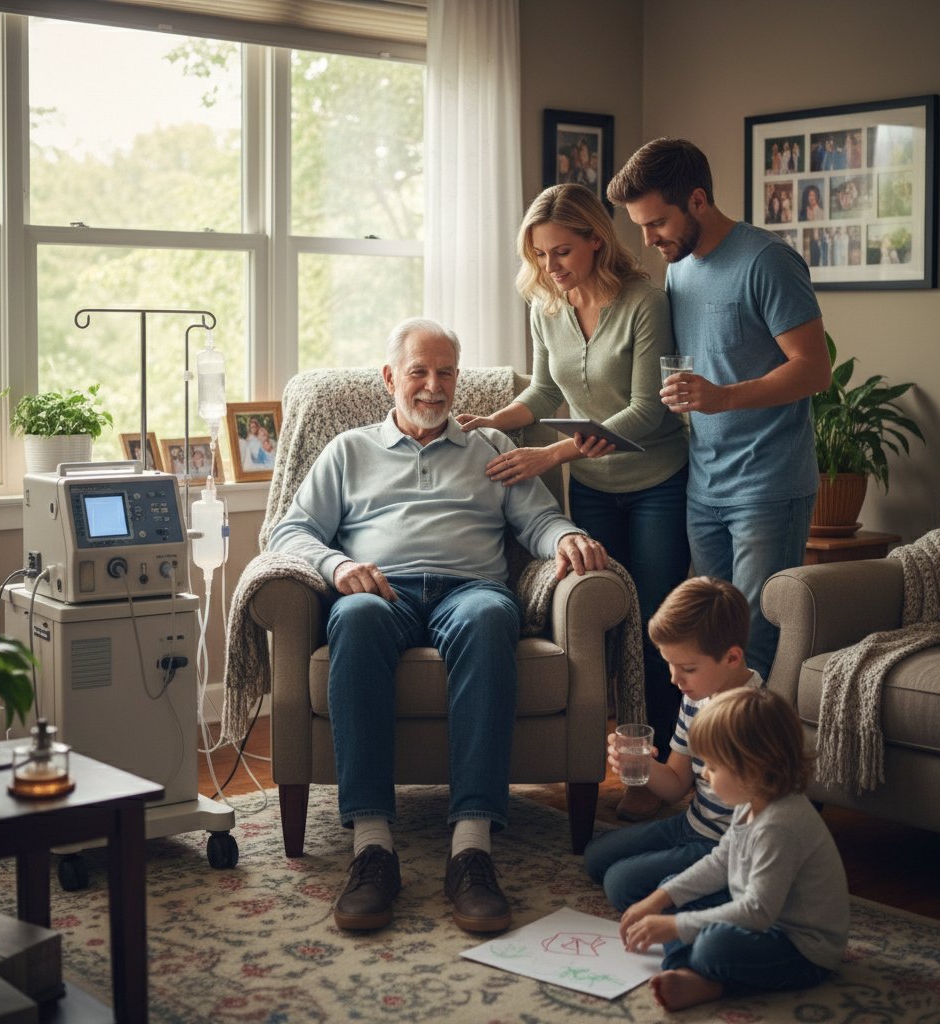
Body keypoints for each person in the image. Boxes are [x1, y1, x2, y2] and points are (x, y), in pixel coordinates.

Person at [269, 317, 609, 934]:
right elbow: (289, 531)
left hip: (470, 590)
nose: (433, 386)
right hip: (383, 590)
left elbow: (538, 521)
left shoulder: (491, 447)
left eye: (445, 373)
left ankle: (472, 849)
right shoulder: (348, 451)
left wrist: (567, 536)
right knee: (355, 617)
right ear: (389, 378)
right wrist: (338, 566)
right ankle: (373, 848)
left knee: (490, 616)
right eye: (419, 372)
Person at [456, 183, 690, 820]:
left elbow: (646, 411)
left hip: (657, 484)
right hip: (594, 490)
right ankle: (612, 764)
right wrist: (492, 422)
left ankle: (661, 775)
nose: (550, 266)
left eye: (561, 251)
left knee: (655, 628)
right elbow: (542, 393)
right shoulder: (546, 305)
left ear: (595, 240)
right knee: (605, 626)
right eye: (539, 254)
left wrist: (552, 455)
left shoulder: (644, 302)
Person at [607, 138, 831, 678]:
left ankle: (756, 739)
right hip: (704, 484)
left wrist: (722, 396)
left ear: (698, 200)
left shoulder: (767, 261)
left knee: (752, 646)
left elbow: (814, 369)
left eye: (657, 222)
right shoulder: (679, 267)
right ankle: (709, 740)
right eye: (640, 226)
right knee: (710, 645)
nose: (648, 239)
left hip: (768, 486)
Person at [620, 686, 849, 1012]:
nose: (704, 774)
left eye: (713, 766)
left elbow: (757, 911)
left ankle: (710, 981)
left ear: (751, 768)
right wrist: (659, 899)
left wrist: (676, 927)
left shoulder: (780, 825)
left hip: (800, 948)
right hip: (761, 917)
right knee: (670, 892)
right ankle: (688, 973)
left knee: (712, 946)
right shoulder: (750, 799)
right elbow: (720, 862)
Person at [584, 577, 762, 913]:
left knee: (620, 884)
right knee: (596, 857)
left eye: (687, 668)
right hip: (692, 824)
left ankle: (733, 898)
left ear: (732, 658)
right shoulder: (697, 694)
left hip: (727, 847)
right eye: (669, 664)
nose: (674, 679)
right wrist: (642, 765)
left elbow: (758, 825)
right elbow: (677, 785)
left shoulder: (753, 718)